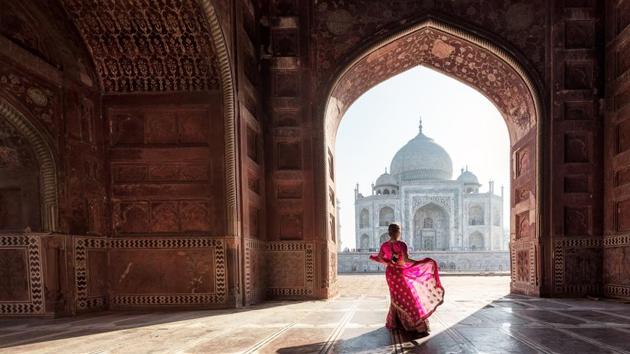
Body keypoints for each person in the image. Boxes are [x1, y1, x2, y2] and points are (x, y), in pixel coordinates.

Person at [369, 223, 444, 334]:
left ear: (389, 233)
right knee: (408, 296)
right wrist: (420, 262)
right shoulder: (401, 244)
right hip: (399, 272)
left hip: (390, 273)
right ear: (398, 232)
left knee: (396, 297)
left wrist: (389, 263)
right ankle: (415, 322)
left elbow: (380, 259)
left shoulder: (384, 245)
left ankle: (396, 322)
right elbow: (406, 260)